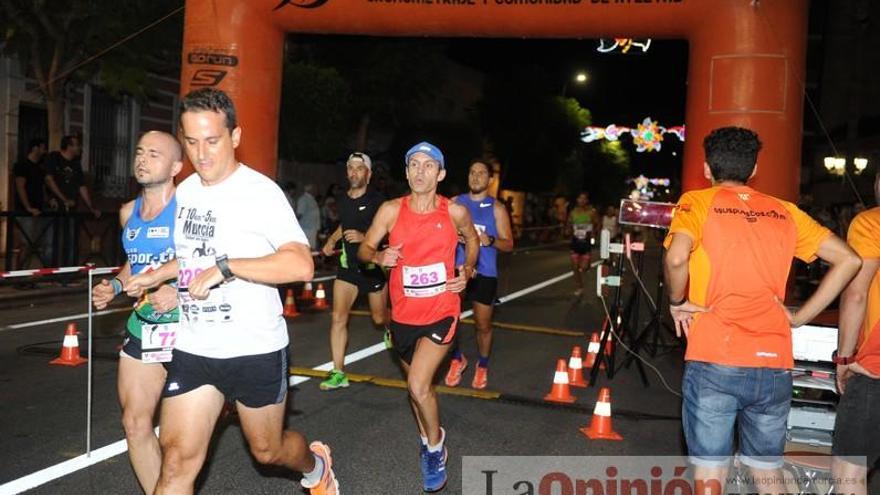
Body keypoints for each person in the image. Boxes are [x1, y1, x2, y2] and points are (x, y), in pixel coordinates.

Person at [125, 88, 338, 494]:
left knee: (268, 451)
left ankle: (316, 466)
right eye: (191, 142)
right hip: (195, 347)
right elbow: (192, 257)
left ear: (235, 137)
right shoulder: (186, 191)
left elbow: (300, 264)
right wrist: (156, 276)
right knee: (175, 464)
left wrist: (227, 268)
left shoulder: (261, 194)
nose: (201, 154)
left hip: (254, 348)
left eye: (212, 140)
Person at [663, 126, 860, 494]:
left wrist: (676, 303)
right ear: (754, 169)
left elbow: (676, 258)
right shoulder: (784, 211)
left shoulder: (697, 202)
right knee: (767, 471)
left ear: (707, 169)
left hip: (715, 357)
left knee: (711, 475)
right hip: (773, 362)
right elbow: (848, 260)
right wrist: (800, 316)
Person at [359, 141, 479, 492]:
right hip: (404, 316)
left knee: (417, 385)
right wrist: (379, 257)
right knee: (419, 392)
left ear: (440, 174)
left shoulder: (453, 212)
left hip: (443, 311)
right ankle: (431, 435)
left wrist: (468, 268)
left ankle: (433, 448)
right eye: (414, 165)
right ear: (406, 171)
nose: (420, 171)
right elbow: (365, 248)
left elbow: (472, 240)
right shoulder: (391, 211)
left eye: (429, 165)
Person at [91, 131, 182, 494]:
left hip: (191, 329)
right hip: (144, 325)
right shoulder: (128, 211)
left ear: (176, 166)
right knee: (134, 424)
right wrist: (113, 287)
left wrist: (179, 290)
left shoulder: (190, 206)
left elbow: (212, 258)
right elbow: (136, 264)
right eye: (140, 152)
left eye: (154, 154)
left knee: (179, 443)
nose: (143, 159)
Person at [319, 152, 388, 390]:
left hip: (371, 267)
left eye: (360, 168)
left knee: (379, 319)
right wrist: (331, 241)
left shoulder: (378, 200)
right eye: (351, 168)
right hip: (348, 267)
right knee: (338, 318)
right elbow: (345, 224)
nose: (354, 172)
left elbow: (387, 229)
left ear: (368, 174)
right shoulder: (342, 198)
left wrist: (364, 237)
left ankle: (391, 326)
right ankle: (338, 372)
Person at [444, 159, 514, 390]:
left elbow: (509, 244)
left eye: (481, 173)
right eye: (472, 172)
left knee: (482, 325)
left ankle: (482, 364)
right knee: (448, 320)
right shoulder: (454, 203)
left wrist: (490, 240)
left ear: (490, 179)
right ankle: (457, 359)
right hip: (457, 269)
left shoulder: (497, 208)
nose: (475, 177)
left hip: (485, 272)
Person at [832, 171, 880, 495]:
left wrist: (845, 356)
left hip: (875, 369)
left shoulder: (871, 223)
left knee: (848, 474)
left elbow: (856, 294)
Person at [44, 134, 100, 266]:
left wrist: (90, 207)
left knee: (70, 241)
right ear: (69, 146)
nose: (79, 148)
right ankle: (50, 272)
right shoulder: (54, 158)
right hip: (55, 207)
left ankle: (69, 272)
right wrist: (63, 199)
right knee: (51, 241)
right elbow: (48, 179)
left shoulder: (76, 164)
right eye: (76, 145)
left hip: (71, 209)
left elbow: (82, 186)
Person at [12, 138, 49, 266]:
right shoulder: (22, 165)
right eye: (42, 147)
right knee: (25, 243)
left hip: (38, 210)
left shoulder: (39, 168)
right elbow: (20, 186)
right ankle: (20, 276)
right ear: (35, 148)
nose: (45, 151)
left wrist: (47, 201)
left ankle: (26, 275)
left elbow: (42, 188)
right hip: (25, 211)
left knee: (33, 243)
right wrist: (28, 207)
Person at [568, 192, 598, 296]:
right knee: (575, 267)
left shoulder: (591, 212)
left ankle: (587, 265)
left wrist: (593, 234)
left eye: (584, 199)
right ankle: (579, 287)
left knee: (583, 268)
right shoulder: (573, 213)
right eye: (580, 198)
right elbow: (569, 224)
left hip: (586, 244)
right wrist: (569, 231)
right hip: (575, 243)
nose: (582, 200)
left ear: (587, 201)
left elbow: (597, 224)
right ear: (577, 200)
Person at [297, 183, 321, 250]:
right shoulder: (303, 199)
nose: (317, 190)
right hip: (306, 229)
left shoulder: (312, 199)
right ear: (310, 190)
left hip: (312, 230)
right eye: (315, 189)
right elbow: (299, 214)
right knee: (306, 249)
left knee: (312, 249)